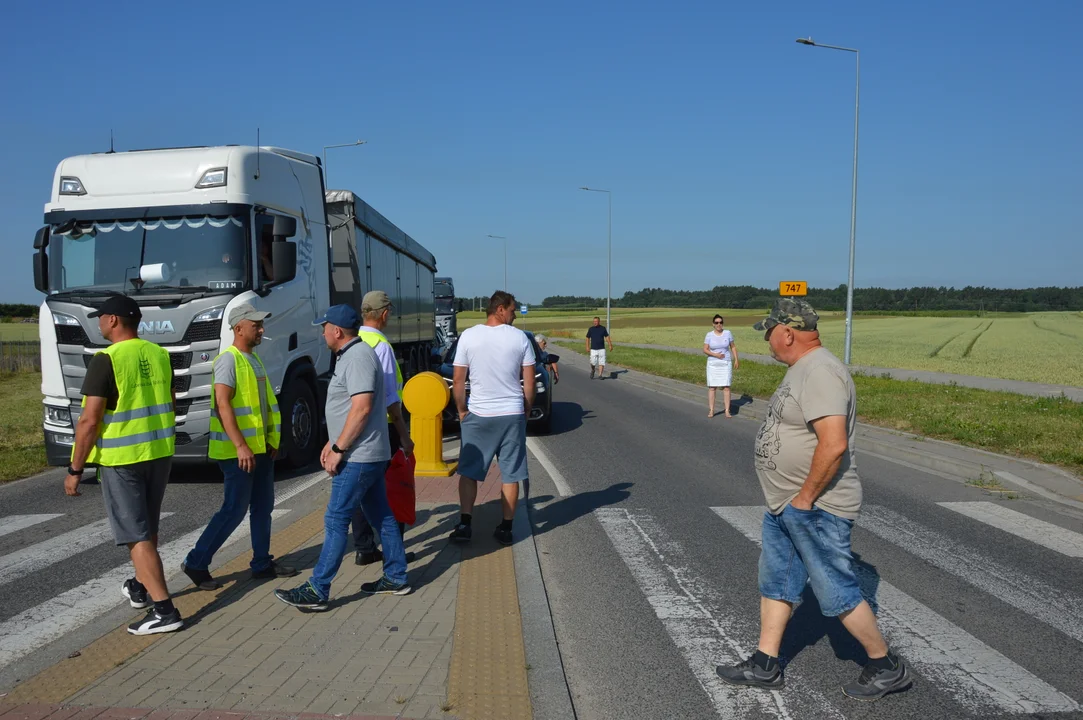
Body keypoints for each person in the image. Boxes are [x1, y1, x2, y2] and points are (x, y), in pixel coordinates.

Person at [715, 298, 911, 701]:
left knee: (834, 589)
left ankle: (885, 665)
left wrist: (805, 499)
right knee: (777, 583)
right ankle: (766, 664)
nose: (767, 340)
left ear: (788, 333)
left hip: (816, 506)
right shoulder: (801, 369)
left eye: (769, 332)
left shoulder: (821, 372)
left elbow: (834, 443)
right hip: (786, 504)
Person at [275, 305, 410, 611]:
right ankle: (396, 576)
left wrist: (339, 449)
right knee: (382, 517)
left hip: (359, 456)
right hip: (365, 452)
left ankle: (318, 589)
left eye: (324, 327)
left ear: (337, 331)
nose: (321, 332)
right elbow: (348, 409)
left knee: (336, 519)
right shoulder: (351, 355)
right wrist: (332, 441)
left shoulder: (359, 357)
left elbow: (362, 408)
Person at [64, 294, 183, 635]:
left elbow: (89, 421)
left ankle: (165, 612)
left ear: (113, 320)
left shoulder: (107, 359)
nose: (98, 322)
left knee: (136, 535)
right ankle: (140, 586)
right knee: (148, 528)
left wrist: (75, 469)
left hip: (123, 459)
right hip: (158, 453)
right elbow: (170, 402)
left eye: (101, 317)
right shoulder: (160, 354)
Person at [182, 303, 298, 591]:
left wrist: (272, 440)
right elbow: (223, 404)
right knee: (234, 509)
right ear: (238, 328)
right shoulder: (228, 360)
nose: (261, 329)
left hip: (259, 450)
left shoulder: (253, 359)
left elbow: (263, 406)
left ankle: (261, 563)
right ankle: (196, 562)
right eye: (256, 325)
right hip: (238, 453)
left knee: (263, 508)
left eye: (261, 325)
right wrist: (241, 446)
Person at [449, 291, 535, 546]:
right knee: (511, 473)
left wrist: (462, 410)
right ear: (499, 309)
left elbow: (458, 380)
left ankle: (465, 524)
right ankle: (506, 528)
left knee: (469, 472)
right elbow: (528, 381)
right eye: (512, 310)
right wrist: (526, 409)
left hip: (480, 413)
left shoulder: (469, 336)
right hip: (511, 414)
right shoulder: (519, 338)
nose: (515, 315)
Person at [351, 290, 417, 566]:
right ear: (385, 313)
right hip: (384, 427)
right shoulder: (381, 346)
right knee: (395, 488)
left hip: (358, 426)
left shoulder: (354, 342)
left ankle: (365, 548)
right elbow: (391, 398)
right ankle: (395, 551)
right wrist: (404, 436)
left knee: (361, 488)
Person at [704, 314, 739, 418]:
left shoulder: (728, 333)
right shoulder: (709, 335)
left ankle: (727, 410)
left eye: (720, 322)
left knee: (727, 387)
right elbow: (705, 349)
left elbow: (733, 347)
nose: (719, 324)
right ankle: (711, 410)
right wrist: (716, 355)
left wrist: (736, 359)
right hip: (713, 363)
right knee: (712, 387)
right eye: (716, 323)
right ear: (713, 324)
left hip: (725, 362)